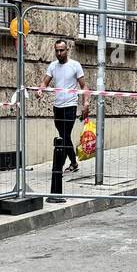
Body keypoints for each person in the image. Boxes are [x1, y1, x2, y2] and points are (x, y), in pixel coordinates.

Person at [37, 39, 91, 174]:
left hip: (70, 106)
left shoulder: (75, 65)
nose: (59, 53)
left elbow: (84, 86)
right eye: (57, 51)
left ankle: (58, 166)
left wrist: (86, 103)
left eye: (62, 50)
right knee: (64, 135)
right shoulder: (53, 66)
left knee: (64, 135)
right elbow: (45, 82)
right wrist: (40, 90)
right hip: (57, 106)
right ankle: (73, 162)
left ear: (67, 50)